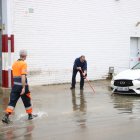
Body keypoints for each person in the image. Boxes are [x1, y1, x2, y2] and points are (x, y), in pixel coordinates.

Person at [2, 50, 37, 124]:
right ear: (25, 56)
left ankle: (6, 116)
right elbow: (23, 76)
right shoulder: (23, 64)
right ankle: (30, 115)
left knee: (12, 101)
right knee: (27, 100)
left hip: (15, 86)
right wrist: (24, 88)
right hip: (22, 86)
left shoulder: (14, 63)